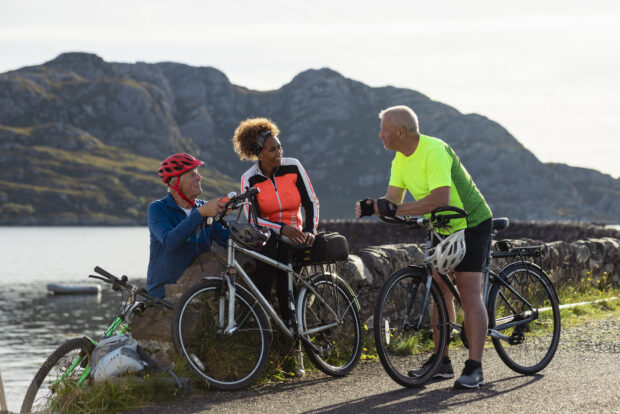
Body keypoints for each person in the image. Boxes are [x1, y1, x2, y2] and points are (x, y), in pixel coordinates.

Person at [356, 105, 493, 389]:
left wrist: (396, 208)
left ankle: (475, 367)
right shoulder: (399, 160)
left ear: (400, 131)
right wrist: (374, 206)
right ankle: (442, 362)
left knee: (468, 291)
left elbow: (441, 198)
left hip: (471, 222)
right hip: (442, 226)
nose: (380, 135)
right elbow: (393, 202)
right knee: (441, 291)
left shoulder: (434, 151)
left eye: (384, 129)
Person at [233, 117, 319, 376]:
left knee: (286, 289)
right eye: (273, 149)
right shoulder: (249, 179)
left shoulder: (293, 167)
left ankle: (295, 352)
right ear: (259, 153)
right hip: (271, 238)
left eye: (280, 147)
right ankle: (266, 347)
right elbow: (253, 218)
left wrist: (309, 231)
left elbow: (311, 202)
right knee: (266, 280)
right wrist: (280, 229)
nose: (279, 152)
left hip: (298, 237)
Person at [147, 153, 228, 298]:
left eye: (197, 173)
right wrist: (200, 214)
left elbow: (227, 240)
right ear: (175, 183)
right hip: (163, 293)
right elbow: (170, 241)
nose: (199, 177)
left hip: (197, 291)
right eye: (192, 174)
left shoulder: (204, 208)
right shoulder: (158, 209)